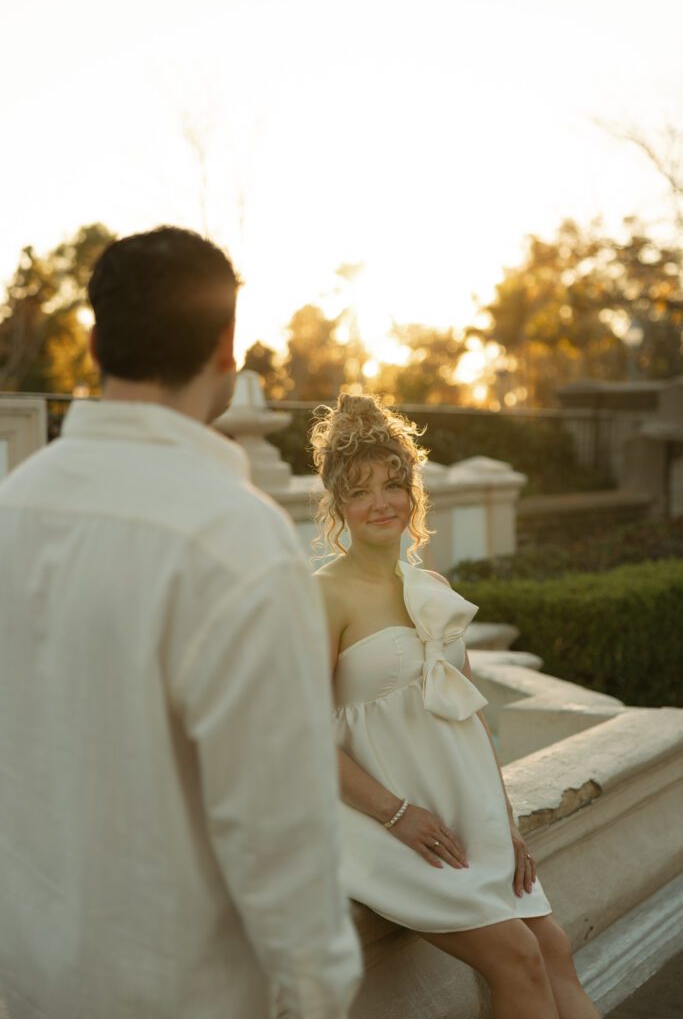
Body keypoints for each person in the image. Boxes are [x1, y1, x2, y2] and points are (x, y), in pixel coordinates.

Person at [0, 227, 361, 1019]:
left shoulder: (13, 508)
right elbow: (281, 834)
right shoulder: (239, 541)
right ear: (228, 346)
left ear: (94, 344)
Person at [310, 393, 601, 1019]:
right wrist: (396, 817)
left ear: (413, 492)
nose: (382, 502)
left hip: (459, 815)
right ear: (337, 503)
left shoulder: (432, 589)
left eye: (394, 484)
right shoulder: (320, 597)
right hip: (373, 821)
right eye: (361, 492)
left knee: (551, 946)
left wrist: (507, 824)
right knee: (517, 957)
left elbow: (468, 719)